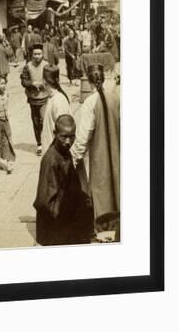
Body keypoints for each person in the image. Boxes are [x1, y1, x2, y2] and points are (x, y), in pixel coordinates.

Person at [71, 64, 120, 240]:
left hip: (99, 159)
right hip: (117, 154)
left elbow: (82, 138)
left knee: (101, 193)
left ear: (89, 81)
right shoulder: (115, 98)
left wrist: (73, 158)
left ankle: (104, 233)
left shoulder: (89, 104)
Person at [33, 114, 94, 246]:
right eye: (64, 137)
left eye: (72, 136)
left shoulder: (64, 151)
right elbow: (45, 202)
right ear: (55, 134)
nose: (68, 141)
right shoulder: (51, 160)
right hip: (56, 224)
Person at [20, 43, 49, 156]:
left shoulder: (46, 65)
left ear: (42, 54)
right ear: (32, 55)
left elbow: (52, 79)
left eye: (39, 54)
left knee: (44, 120)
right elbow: (23, 81)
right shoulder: (28, 66)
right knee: (36, 122)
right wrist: (32, 84)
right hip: (32, 98)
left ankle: (47, 142)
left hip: (44, 97)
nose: (37, 56)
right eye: (35, 54)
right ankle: (39, 144)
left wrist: (43, 84)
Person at [40, 65, 70, 153]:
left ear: (44, 81)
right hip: (51, 152)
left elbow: (64, 133)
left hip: (56, 154)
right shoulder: (52, 98)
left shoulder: (59, 101)